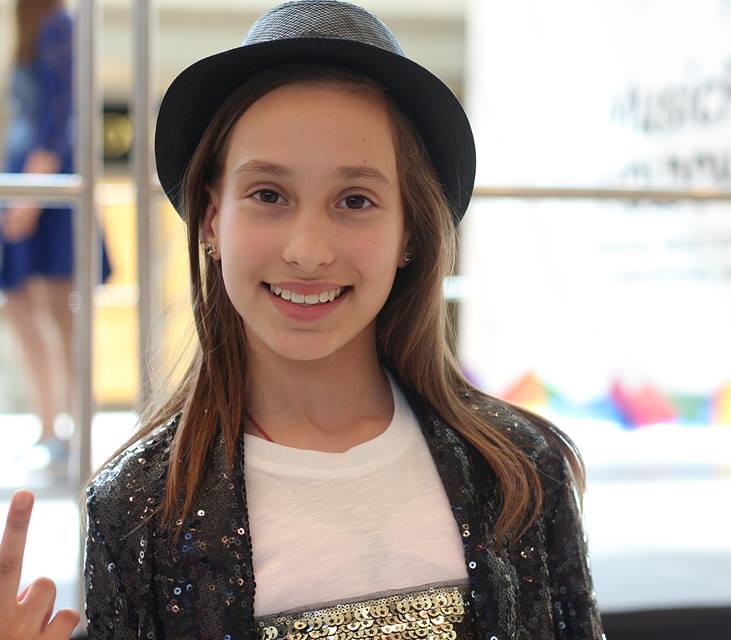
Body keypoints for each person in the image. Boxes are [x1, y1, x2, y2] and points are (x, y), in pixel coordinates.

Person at [3, 1, 604, 638]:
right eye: (268, 195)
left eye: (355, 200)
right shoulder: (138, 508)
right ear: (212, 219)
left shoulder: (520, 469)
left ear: (409, 230)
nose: (308, 251)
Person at [2, 0, 112, 466]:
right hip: (25, 175)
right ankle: (49, 424)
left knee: (60, 310)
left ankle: (74, 423)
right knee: (20, 306)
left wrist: (30, 194)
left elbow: (59, 115)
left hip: (45, 180)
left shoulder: (60, 26)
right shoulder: (32, 27)